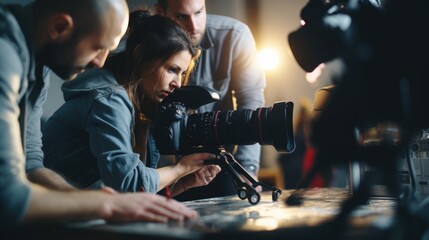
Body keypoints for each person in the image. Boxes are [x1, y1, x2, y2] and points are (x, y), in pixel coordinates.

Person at [0, 0, 200, 228]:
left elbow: (32, 162)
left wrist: (86, 199)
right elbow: (8, 197)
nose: (100, 62)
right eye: (98, 47)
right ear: (59, 27)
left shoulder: (38, 63)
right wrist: (106, 205)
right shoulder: (4, 55)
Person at [42, 10, 221, 195]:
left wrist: (185, 182)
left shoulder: (140, 102)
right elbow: (128, 185)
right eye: (171, 69)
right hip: (48, 214)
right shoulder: (110, 99)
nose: (177, 83)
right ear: (141, 57)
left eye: (182, 73)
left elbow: (132, 194)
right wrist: (180, 169)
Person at [156, 0, 267, 200]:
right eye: (181, 16)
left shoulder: (235, 36)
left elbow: (251, 101)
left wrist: (247, 167)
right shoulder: (145, 45)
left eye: (199, 12)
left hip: (219, 163)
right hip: (164, 169)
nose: (194, 26)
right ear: (160, 13)